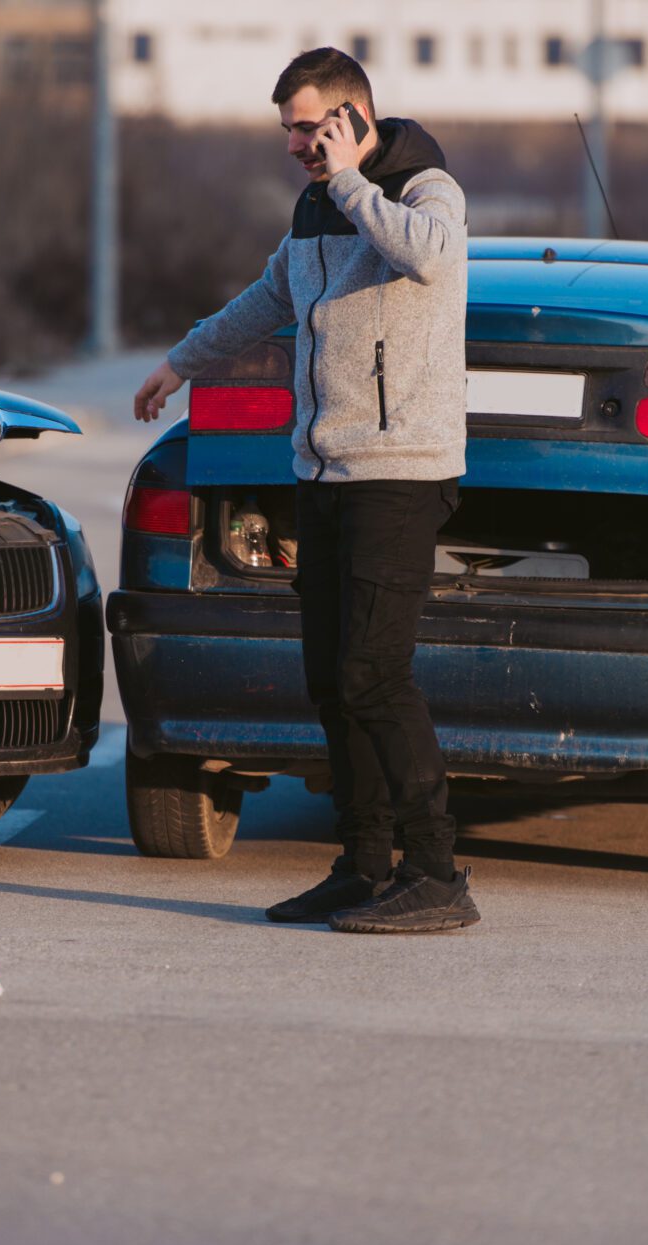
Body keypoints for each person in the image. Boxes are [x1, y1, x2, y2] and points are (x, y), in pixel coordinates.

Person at [132, 48, 475, 933]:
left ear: (355, 118)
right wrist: (179, 364)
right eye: (288, 128)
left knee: (374, 673)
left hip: (401, 473)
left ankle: (437, 871)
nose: (295, 144)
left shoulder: (425, 190)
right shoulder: (316, 205)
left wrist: (356, 180)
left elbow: (428, 259)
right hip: (323, 473)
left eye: (309, 126)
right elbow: (264, 298)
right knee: (330, 679)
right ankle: (362, 864)